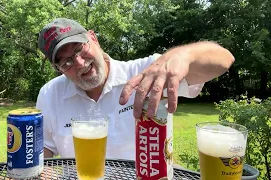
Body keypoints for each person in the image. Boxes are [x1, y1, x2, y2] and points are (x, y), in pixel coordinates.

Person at [36, 18, 235, 160]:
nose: (79, 63)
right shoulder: (49, 94)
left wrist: (183, 56)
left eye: (79, 48)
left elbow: (224, 60)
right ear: (58, 69)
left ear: (93, 38)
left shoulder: (147, 71)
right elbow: (44, 150)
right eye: (66, 62)